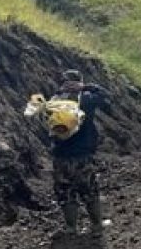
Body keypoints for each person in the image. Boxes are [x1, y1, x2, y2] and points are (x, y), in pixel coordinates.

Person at [47, 69, 110, 235]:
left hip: (60, 155)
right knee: (89, 189)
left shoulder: (55, 100)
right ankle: (97, 226)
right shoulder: (87, 99)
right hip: (82, 155)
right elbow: (105, 96)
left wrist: (59, 91)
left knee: (65, 192)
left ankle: (71, 228)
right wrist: (88, 87)